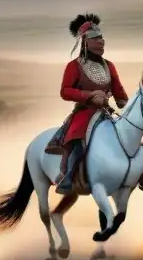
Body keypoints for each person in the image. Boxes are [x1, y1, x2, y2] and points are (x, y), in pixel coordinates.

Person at [55, 14, 129, 194]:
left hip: (105, 113)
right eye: (96, 38)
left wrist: (122, 100)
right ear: (85, 42)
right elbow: (65, 91)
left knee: (127, 138)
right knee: (78, 140)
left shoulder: (109, 65)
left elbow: (120, 92)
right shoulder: (74, 66)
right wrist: (89, 96)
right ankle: (68, 176)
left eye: (102, 38)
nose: (101, 41)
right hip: (83, 114)